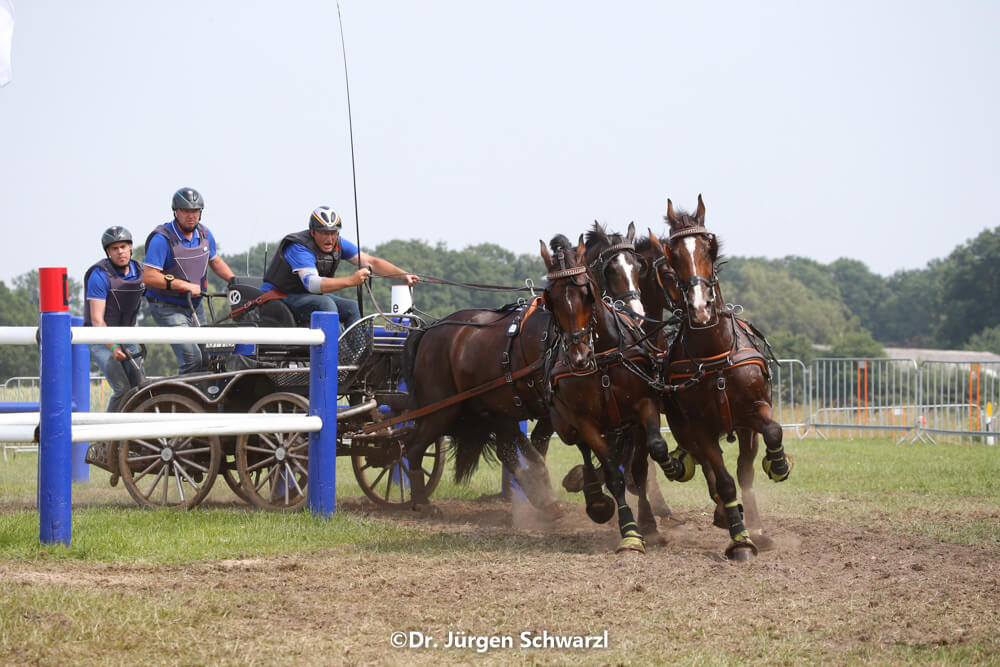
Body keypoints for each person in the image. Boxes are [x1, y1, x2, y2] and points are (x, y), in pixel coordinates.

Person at [261, 205, 418, 334]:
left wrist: (403, 275)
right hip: (281, 296)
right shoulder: (299, 247)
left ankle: (357, 354)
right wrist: (351, 281)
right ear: (312, 232)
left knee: (351, 307)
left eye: (333, 233)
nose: (329, 239)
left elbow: (371, 262)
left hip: (307, 296)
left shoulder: (338, 243)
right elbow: (312, 284)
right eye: (324, 233)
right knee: (326, 304)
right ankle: (338, 354)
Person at [143, 187, 235, 373]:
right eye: (185, 211)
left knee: (208, 358)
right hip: (167, 306)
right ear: (176, 211)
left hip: (195, 305)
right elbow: (149, 276)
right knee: (192, 358)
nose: (191, 215)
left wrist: (235, 281)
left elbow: (214, 261)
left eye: (195, 211)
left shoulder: (205, 235)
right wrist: (183, 285)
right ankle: (181, 392)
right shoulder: (162, 239)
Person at [84, 226, 145, 412]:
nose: (120, 252)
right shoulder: (99, 275)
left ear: (130, 247)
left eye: (123, 247)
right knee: (122, 389)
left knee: (140, 386)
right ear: (108, 252)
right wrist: (113, 347)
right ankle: (108, 429)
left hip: (126, 335)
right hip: (101, 339)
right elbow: (97, 320)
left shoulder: (141, 270)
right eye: (114, 248)